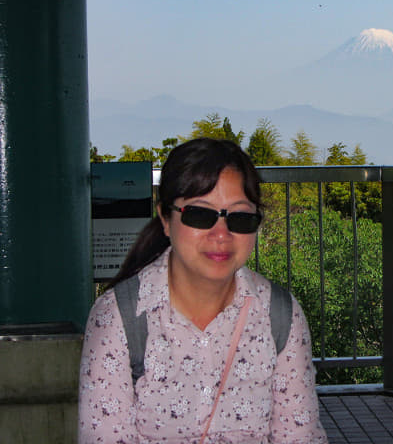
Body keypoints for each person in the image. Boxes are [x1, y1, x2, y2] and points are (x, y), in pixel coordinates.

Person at [78, 138, 328, 444]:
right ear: (165, 218)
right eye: (200, 214)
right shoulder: (118, 319)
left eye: (240, 217)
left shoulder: (280, 315)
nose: (221, 234)